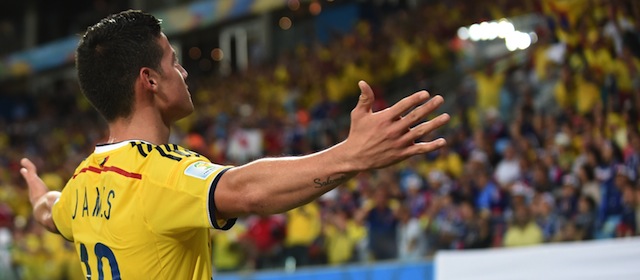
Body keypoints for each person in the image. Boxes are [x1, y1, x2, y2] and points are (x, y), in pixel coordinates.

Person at [20, 9, 450, 280]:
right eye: (173, 61)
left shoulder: (81, 183)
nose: (184, 72)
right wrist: (351, 154)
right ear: (148, 81)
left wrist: (39, 195)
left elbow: (48, 214)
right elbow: (246, 190)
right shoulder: (155, 173)